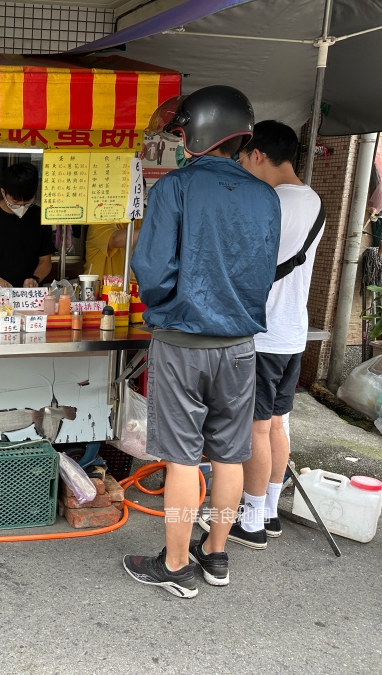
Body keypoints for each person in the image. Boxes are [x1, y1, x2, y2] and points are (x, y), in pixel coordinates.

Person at [123, 86, 281, 598]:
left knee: (183, 459)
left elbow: (151, 270)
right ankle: (215, 555)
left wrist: (166, 306)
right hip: (240, 345)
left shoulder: (176, 188)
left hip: (183, 343)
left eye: (183, 130)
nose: (180, 138)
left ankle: (175, 566)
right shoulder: (265, 195)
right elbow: (263, 273)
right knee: (229, 455)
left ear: (199, 132)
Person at [200, 121, 324, 548]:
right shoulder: (314, 201)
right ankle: (268, 511)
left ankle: (248, 522)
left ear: (256, 155)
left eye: (242, 157)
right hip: (293, 333)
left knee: (253, 429)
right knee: (275, 426)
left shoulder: (270, 202)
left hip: (262, 333)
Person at [0, 162, 54, 288]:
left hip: (29, 296)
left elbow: (45, 261)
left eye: (27, 201)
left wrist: (34, 279)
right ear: (3, 192)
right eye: (16, 201)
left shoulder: (40, 217)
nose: (22, 206)